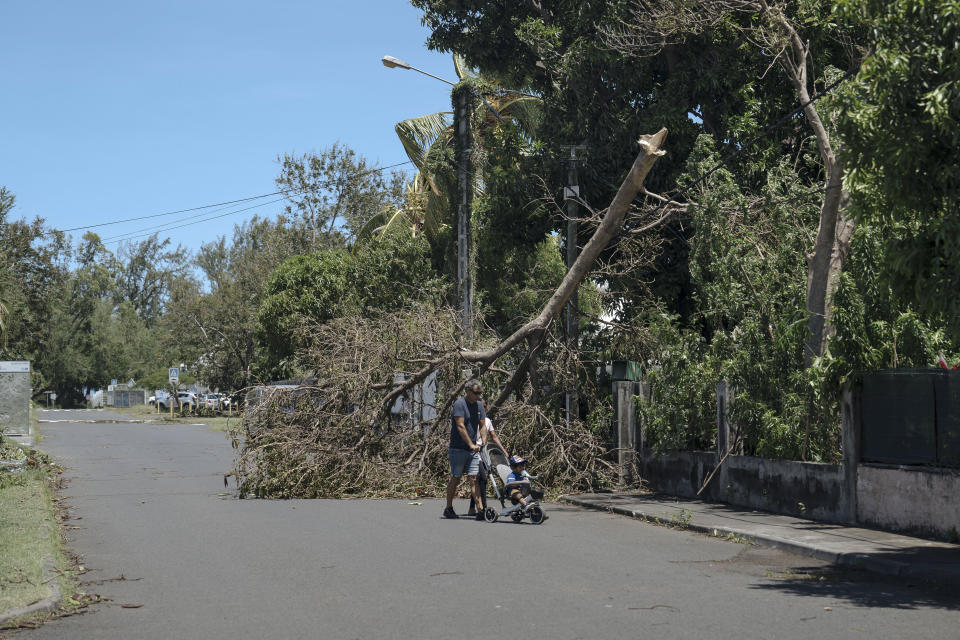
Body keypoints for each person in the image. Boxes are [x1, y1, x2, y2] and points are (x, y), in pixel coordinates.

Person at [444, 380, 486, 520]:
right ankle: (448, 508)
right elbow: (460, 426)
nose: (478, 396)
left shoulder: (479, 405)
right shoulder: (460, 404)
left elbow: (483, 425)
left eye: (480, 393)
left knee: (474, 478)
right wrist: (470, 444)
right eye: (476, 393)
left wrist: (483, 442)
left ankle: (480, 510)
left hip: (472, 450)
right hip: (458, 448)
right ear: (468, 391)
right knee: (456, 478)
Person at [466, 399, 509, 516]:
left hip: (484, 453)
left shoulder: (487, 421)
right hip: (474, 453)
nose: (482, 409)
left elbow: (494, 437)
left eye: (484, 407)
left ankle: (472, 508)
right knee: (483, 479)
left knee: (480, 481)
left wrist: (503, 450)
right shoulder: (470, 420)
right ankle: (483, 508)